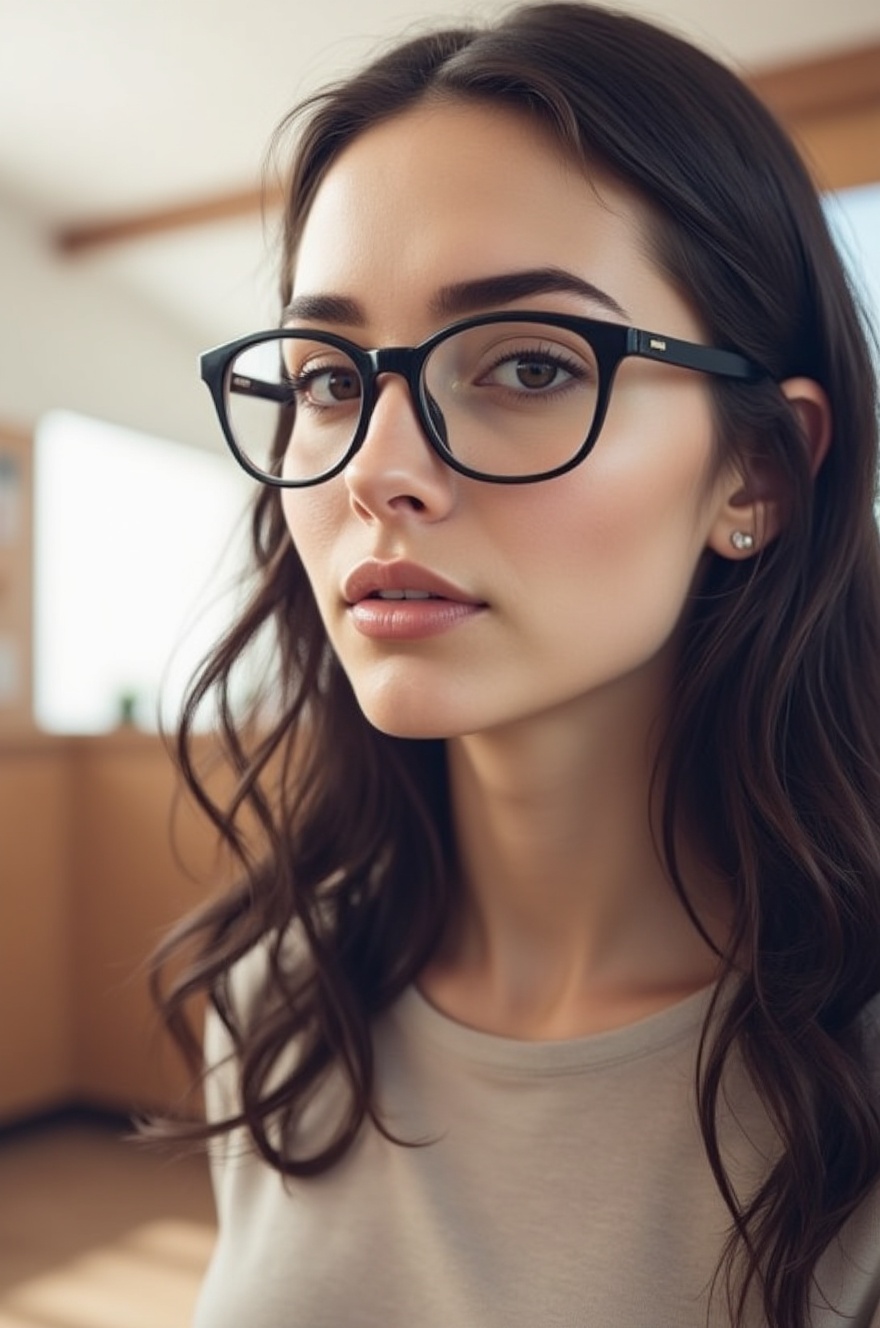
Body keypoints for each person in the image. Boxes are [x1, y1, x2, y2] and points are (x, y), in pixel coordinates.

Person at [151, 4, 880, 1325]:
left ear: (759, 472)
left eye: (531, 364)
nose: (376, 469)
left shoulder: (852, 1090)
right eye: (327, 377)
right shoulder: (283, 991)